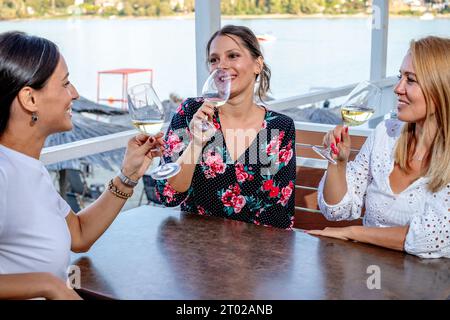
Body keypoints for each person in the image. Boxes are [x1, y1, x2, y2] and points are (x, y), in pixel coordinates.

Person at [0, 31, 164, 299]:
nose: (75, 94)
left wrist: (128, 176)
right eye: (65, 83)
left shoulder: (29, 168)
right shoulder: (3, 173)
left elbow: (78, 234)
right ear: (30, 99)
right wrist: (48, 285)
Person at [308, 36, 450, 259]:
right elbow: (336, 211)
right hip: (368, 276)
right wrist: (338, 162)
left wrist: (353, 232)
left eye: (410, 80)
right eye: (399, 77)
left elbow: (429, 238)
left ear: (440, 87)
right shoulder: (386, 133)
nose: (397, 88)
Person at [155, 25, 296, 229]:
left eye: (233, 56)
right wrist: (196, 143)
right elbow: (169, 195)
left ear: (257, 65)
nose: (221, 66)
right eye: (214, 59)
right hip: (195, 247)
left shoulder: (280, 128)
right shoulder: (190, 113)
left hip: (256, 253)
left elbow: (280, 214)